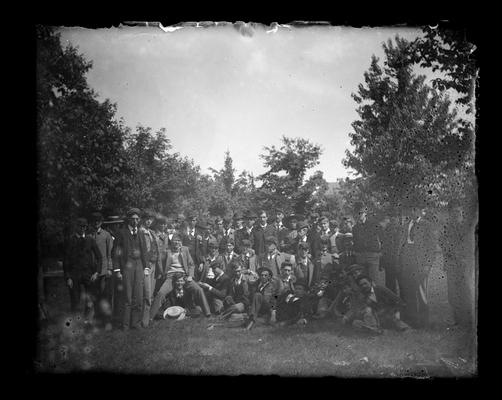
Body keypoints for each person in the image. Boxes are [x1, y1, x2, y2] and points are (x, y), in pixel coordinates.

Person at [149, 234, 211, 320]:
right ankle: (150, 317)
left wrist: (190, 275)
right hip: (171, 276)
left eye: (179, 241)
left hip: (184, 276)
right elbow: (160, 261)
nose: (177, 242)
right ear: (172, 242)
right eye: (175, 240)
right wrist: (163, 273)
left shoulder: (185, 250)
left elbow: (191, 264)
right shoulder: (167, 251)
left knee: (198, 290)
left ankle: (207, 313)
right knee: (161, 293)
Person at [397, 200, 436, 329]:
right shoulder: (406, 224)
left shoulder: (427, 225)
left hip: (420, 262)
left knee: (421, 292)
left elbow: (431, 248)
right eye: (410, 209)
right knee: (409, 292)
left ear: (419, 210)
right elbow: (402, 244)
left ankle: (424, 322)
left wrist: (427, 265)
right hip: (406, 260)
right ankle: (413, 320)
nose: (412, 211)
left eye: (414, 209)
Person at [438, 199, 476, 327]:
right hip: (451, 264)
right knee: (453, 294)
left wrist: (463, 256)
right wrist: (449, 250)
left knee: (465, 292)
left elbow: (470, 244)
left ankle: (469, 320)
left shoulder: (467, 226)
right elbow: (442, 242)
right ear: (449, 212)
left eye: (458, 210)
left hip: (465, 264)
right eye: (453, 211)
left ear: (461, 210)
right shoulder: (446, 226)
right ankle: (457, 320)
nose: (456, 213)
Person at [112, 208, 148, 330]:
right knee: (127, 296)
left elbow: (144, 251)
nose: (135, 221)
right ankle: (125, 324)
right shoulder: (121, 233)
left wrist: (146, 267)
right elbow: (116, 253)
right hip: (127, 265)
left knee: (138, 296)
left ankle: (136, 323)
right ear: (128, 219)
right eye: (133, 219)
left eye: (137, 219)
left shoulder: (141, 233)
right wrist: (117, 270)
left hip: (139, 266)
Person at [63, 217, 102, 325]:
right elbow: (66, 260)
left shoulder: (90, 240)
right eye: (80, 226)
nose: (82, 229)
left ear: (86, 227)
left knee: (89, 298)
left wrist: (97, 272)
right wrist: (68, 277)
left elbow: (99, 257)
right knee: (75, 300)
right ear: (76, 227)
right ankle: (75, 321)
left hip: (88, 274)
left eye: (84, 226)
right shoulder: (70, 241)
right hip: (74, 274)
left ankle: (87, 320)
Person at [342, 275, 409, 334]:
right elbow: (357, 309)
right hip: (377, 319)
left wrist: (397, 312)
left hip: (391, 315)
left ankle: (379, 331)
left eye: (365, 283)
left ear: (370, 282)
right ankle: (377, 330)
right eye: (361, 285)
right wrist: (347, 317)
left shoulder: (380, 289)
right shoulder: (362, 295)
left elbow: (399, 301)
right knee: (356, 323)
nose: (364, 286)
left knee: (401, 326)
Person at [89, 212, 114, 329]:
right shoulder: (89, 235)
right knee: (94, 296)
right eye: (94, 220)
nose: (96, 222)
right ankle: (96, 319)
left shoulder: (106, 235)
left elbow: (110, 254)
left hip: (103, 270)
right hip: (91, 271)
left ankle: (107, 320)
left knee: (104, 296)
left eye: (98, 220)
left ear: (101, 222)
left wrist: (109, 268)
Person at [352, 203, 383, 284]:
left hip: (372, 256)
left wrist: (380, 251)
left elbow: (382, 237)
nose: (359, 215)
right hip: (361, 257)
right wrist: (357, 253)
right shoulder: (355, 228)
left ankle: (377, 296)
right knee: (363, 281)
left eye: (361, 213)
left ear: (365, 213)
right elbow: (355, 241)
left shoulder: (374, 224)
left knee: (374, 282)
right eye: (357, 213)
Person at [139, 210, 160, 328]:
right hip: (145, 266)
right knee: (146, 294)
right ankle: (143, 321)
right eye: (146, 218)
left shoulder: (151, 232)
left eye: (150, 219)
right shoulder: (140, 232)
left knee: (150, 294)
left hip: (154, 265)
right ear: (143, 219)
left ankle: (146, 319)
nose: (148, 221)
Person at [379, 214, 402, 296]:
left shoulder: (392, 230)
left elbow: (389, 247)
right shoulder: (396, 229)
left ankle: (394, 303)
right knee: (396, 284)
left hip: (393, 261)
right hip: (394, 261)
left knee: (391, 284)